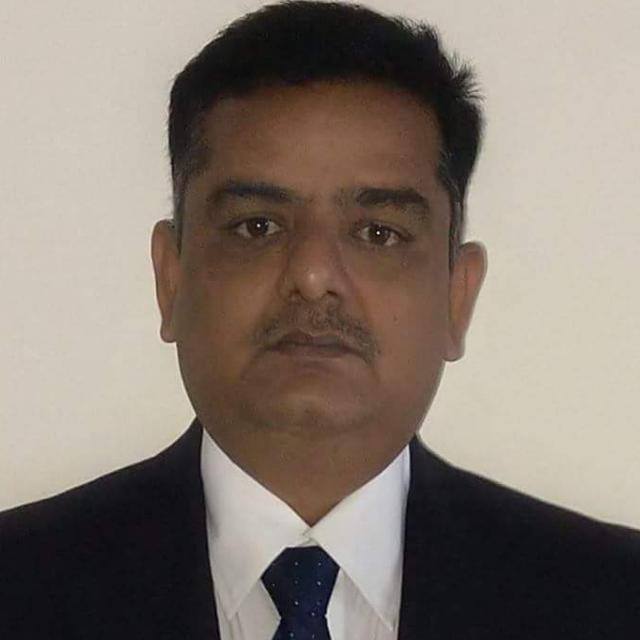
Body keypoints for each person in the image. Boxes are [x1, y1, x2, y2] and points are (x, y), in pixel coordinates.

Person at [1, 1, 638, 638]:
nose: (311, 274)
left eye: (378, 233)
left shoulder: (615, 600)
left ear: (457, 296)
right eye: (257, 227)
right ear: (171, 277)